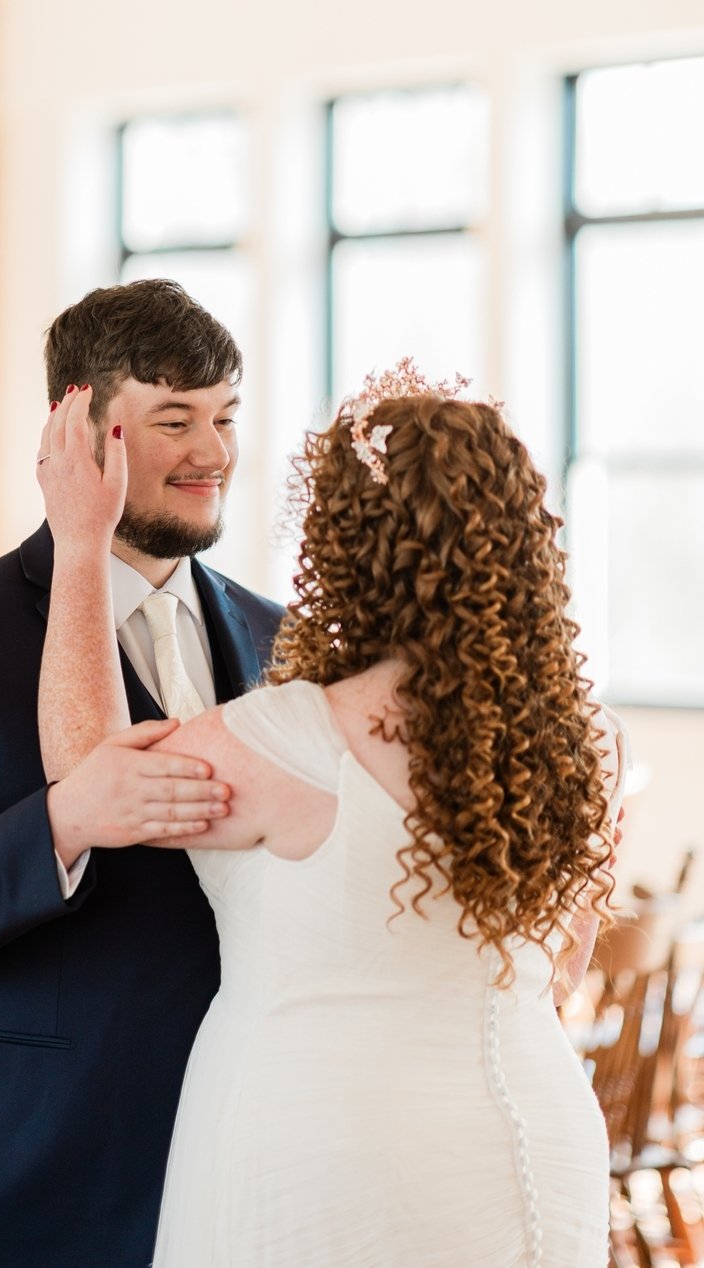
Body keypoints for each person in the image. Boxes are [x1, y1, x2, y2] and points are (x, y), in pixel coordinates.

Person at [37, 358, 627, 1267]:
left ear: (344, 546)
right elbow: (563, 971)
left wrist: (79, 544)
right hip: (544, 1137)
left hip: (333, 1157)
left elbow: (93, 779)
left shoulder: (282, 743)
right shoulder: (588, 742)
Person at [0, 280, 284, 1267]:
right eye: (175, 420)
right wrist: (62, 823)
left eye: (225, 417)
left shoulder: (275, 634)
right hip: (14, 1171)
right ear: (83, 429)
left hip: (219, 1171)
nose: (213, 453)